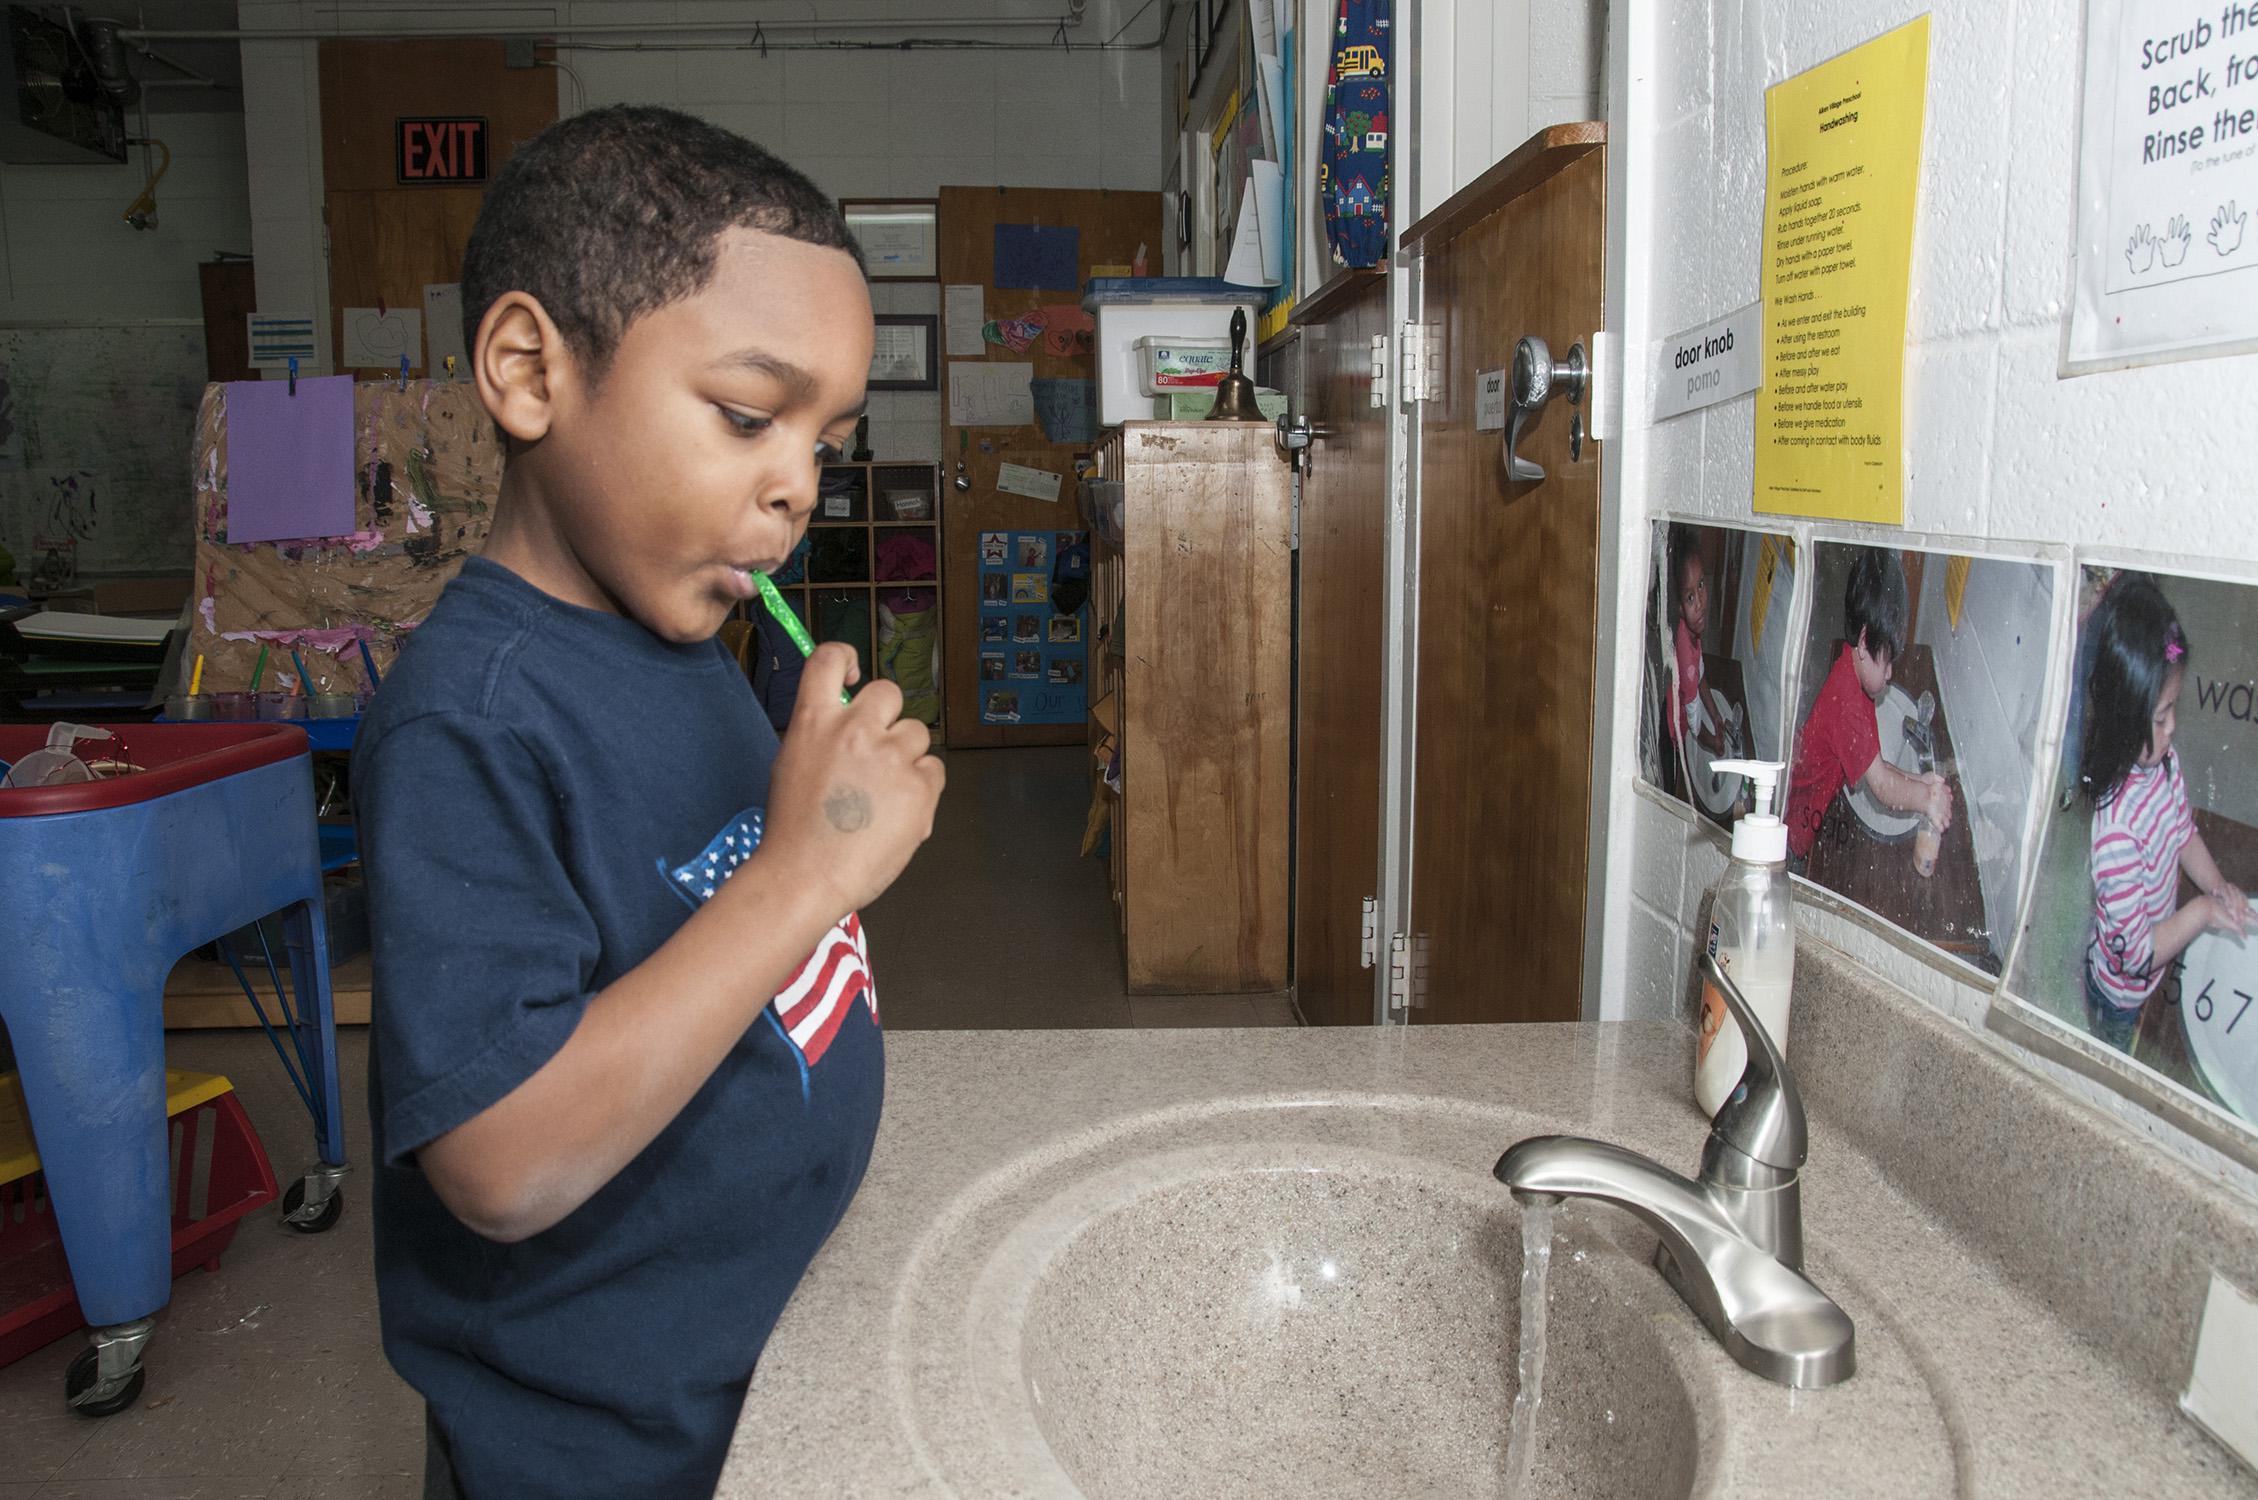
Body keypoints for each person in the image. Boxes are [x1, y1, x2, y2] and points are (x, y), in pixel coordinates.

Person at [352, 106, 944, 1500]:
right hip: (603, 1445)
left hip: (757, 1361)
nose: (796, 483)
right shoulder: (472, 720)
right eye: (746, 415)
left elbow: (699, 916)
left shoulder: (682, 639)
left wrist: (826, 829)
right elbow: (500, 1165)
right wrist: (805, 873)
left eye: (826, 436)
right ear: (526, 371)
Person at [2079, 576, 2250, 1051]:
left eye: (2173, 709)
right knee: (2112, 1053)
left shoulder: (2164, 763)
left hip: (2153, 952)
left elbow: (2182, 833)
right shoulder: (2115, 837)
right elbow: (2135, 956)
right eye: (2160, 717)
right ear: (2125, 716)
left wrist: (2215, 886)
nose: (2173, 727)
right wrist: (2200, 912)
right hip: (2120, 992)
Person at [1783, 548, 1952, 861]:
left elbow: (1879, 765)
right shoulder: (1848, 703)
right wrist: (1927, 799)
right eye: (1886, 660)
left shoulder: (1850, 672)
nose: (1889, 674)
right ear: (1864, 642)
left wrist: (1920, 780)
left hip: (1799, 813)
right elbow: (1884, 788)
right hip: (1791, 836)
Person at [1666, 528, 1739, 765]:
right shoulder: (1684, 656)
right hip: (1672, 730)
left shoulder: (1692, 627)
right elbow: (1695, 725)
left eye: (1701, 585)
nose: (1700, 602)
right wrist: (1714, 743)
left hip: (1684, 697)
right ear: (1677, 607)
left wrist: (1716, 714)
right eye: (1689, 597)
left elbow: (1701, 673)